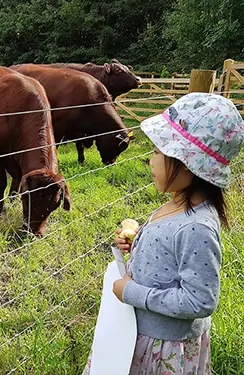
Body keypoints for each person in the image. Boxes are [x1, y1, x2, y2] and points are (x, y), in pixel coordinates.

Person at [82, 92, 244, 375]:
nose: (151, 161)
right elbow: (169, 258)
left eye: (158, 152)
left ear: (190, 164)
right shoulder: (175, 204)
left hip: (161, 349)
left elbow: (200, 300)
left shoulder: (197, 227)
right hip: (136, 335)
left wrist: (132, 292)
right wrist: (135, 249)